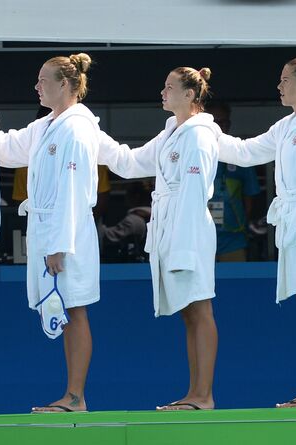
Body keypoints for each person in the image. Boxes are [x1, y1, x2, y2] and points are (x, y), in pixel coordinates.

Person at [217, 58, 296, 408]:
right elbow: (244, 152)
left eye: (285, 79)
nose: (279, 86)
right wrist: (206, 129)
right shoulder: (287, 125)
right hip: (294, 222)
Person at [98, 68, 220, 410]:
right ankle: (194, 392)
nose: (162, 92)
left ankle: (204, 395)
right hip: (170, 229)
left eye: (169, 87)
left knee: (200, 306)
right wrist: (95, 137)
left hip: (190, 229)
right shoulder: (170, 133)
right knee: (188, 312)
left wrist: (182, 245)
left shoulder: (199, 135)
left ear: (190, 95)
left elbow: (194, 194)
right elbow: (131, 162)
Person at [0, 54, 103, 413]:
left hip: (67, 232)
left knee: (75, 309)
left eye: (43, 80)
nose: (36, 86)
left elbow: (71, 188)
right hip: (46, 230)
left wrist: (58, 246)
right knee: (63, 310)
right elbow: (6, 148)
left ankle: (76, 396)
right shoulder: (44, 126)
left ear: (66, 85)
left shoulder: (77, 128)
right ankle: (71, 394)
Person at [206, 102, 261, 262]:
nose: (220, 126)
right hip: (198, 235)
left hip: (233, 236)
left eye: (224, 122)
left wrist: (243, 225)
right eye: (215, 122)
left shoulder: (239, 153)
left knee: (233, 281)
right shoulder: (193, 152)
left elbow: (249, 196)